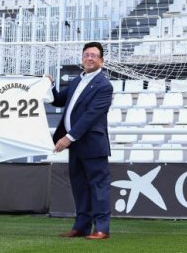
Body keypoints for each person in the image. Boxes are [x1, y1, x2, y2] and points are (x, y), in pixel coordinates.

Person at [52, 42, 113, 240]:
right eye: (86, 54)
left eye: (94, 55)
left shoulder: (104, 85)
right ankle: (81, 226)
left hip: (93, 145)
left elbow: (90, 116)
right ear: (82, 59)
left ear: (101, 61)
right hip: (76, 145)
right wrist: (48, 85)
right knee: (79, 187)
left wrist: (68, 137)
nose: (89, 58)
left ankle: (102, 228)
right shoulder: (77, 81)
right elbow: (58, 100)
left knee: (98, 187)